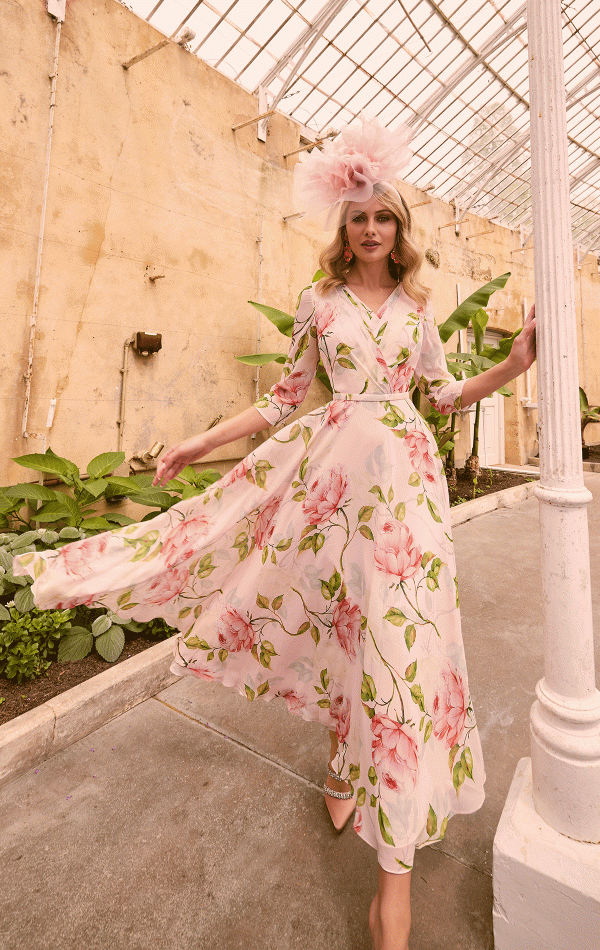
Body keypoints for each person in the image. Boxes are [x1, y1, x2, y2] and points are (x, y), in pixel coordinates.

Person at [15, 116, 536, 950]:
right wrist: (196, 441)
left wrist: (513, 369)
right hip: (328, 488)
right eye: (359, 216)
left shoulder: (419, 310)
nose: (371, 228)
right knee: (340, 622)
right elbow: (287, 397)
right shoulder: (318, 304)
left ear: (401, 229)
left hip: (405, 497)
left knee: (405, 650)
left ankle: (390, 886)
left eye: (385, 216)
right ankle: (341, 748)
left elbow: (438, 397)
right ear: (344, 227)